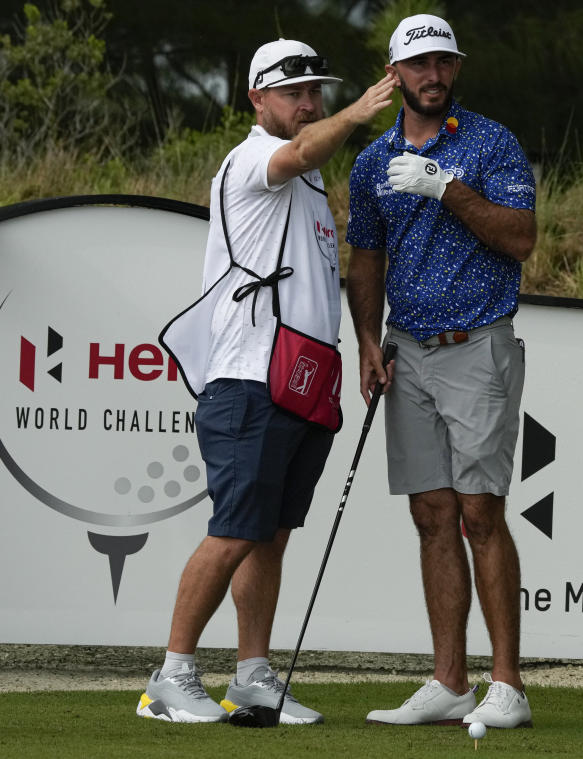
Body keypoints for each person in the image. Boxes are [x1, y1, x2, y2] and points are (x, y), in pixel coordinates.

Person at [138, 38, 394, 724]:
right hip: (247, 379)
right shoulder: (255, 156)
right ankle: (171, 676)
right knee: (233, 530)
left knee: (270, 533)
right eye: (293, 92)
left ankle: (252, 676)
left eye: (315, 91)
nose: (308, 104)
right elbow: (303, 150)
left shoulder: (310, 184)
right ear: (258, 99)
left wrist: (365, 342)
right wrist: (360, 110)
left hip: (298, 384)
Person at [345, 14, 537, 729]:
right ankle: (449, 680)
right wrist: (368, 339)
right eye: (419, 65)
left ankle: (508, 685)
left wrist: (446, 188)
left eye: (443, 63)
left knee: (480, 511)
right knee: (431, 515)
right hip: (407, 350)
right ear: (394, 74)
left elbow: (520, 238)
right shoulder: (371, 162)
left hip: (476, 344)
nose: (433, 76)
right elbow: (366, 256)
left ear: (456, 69)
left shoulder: (490, 142)